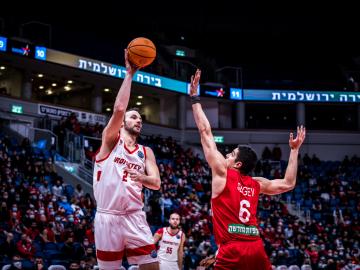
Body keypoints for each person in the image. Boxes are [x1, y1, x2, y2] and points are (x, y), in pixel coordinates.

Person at [189, 69, 306, 270]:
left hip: (231, 250)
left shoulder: (222, 173)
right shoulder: (257, 183)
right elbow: (288, 183)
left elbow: (205, 131)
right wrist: (294, 151)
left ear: (238, 164)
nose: (226, 155)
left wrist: (194, 97)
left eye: (232, 154)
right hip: (256, 248)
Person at [93, 49, 161, 270]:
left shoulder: (146, 151)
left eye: (141, 118)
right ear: (122, 123)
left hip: (135, 217)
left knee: (152, 267)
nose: (138, 120)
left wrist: (141, 176)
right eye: (134, 117)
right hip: (108, 218)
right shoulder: (110, 141)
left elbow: (157, 184)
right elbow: (120, 108)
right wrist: (129, 75)